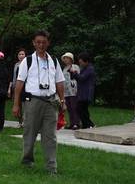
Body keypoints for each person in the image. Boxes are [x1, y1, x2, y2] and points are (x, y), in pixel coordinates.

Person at [12, 30, 66, 175]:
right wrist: (16, 104)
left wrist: (62, 100)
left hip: (50, 102)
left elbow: (60, 82)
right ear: (34, 43)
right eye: (38, 42)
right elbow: (19, 83)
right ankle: (27, 161)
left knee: (51, 136)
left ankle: (51, 167)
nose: (41, 45)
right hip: (33, 101)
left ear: (48, 43)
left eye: (44, 42)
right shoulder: (27, 61)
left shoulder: (53, 60)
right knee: (30, 133)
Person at [74, 52, 96, 129]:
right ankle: (86, 125)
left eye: (81, 62)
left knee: (80, 109)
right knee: (82, 110)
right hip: (82, 93)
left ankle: (89, 124)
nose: (80, 64)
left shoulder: (90, 69)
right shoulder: (85, 69)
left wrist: (75, 74)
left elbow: (82, 78)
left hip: (86, 93)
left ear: (86, 61)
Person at [61, 52, 81, 130]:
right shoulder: (64, 69)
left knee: (74, 107)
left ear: (70, 59)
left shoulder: (75, 67)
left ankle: (77, 123)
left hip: (73, 90)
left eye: (66, 58)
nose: (65, 60)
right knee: (69, 107)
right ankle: (72, 123)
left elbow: (77, 76)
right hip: (66, 91)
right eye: (64, 58)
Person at [9, 48, 27, 127]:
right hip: (16, 86)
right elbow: (14, 77)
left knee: (24, 105)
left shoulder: (27, 64)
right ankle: (20, 122)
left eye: (22, 54)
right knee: (17, 104)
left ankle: (25, 121)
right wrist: (11, 87)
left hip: (25, 87)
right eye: (19, 54)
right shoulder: (16, 65)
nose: (21, 56)